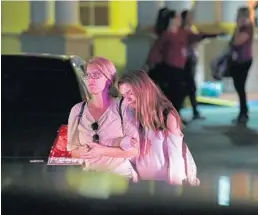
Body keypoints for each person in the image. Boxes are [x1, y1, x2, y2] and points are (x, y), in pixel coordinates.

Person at [118, 70, 199, 185]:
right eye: (123, 95)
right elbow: (126, 152)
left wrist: (175, 189)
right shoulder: (130, 115)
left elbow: (176, 158)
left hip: (167, 186)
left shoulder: (167, 116)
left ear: (143, 89)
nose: (127, 99)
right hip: (141, 185)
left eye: (130, 93)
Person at [67, 57, 140, 180]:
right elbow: (73, 150)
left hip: (119, 176)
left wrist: (102, 151)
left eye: (96, 75)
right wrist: (83, 152)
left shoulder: (123, 106)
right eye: (88, 75)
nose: (91, 79)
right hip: (90, 177)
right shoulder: (78, 110)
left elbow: (134, 151)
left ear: (109, 79)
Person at [147, 10, 223, 123]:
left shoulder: (183, 33)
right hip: (169, 68)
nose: (179, 20)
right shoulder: (167, 35)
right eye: (177, 18)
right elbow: (156, 51)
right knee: (173, 94)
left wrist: (215, 34)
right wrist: (150, 64)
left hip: (179, 69)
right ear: (172, 20)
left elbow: (198, 36)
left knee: (180, 92)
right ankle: (169, 118)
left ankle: (174, 117)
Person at [230, 7, 253, 124]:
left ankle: (243, 112)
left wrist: (238, 27)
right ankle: (243, 111)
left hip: (244, 61)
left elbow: (237, 41)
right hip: (238, 61)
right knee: (238, 86)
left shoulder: (248, 28)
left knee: (240, 87)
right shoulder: (241, 28)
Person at [181, 10, 205, 120]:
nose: (192, 18)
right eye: (190, 17)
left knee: (190, 85)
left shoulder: (191, 29)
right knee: (189, 85)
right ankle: (191, 109)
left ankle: (194, 110)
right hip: (186, 60)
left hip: (191, 59)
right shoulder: (183, 31)